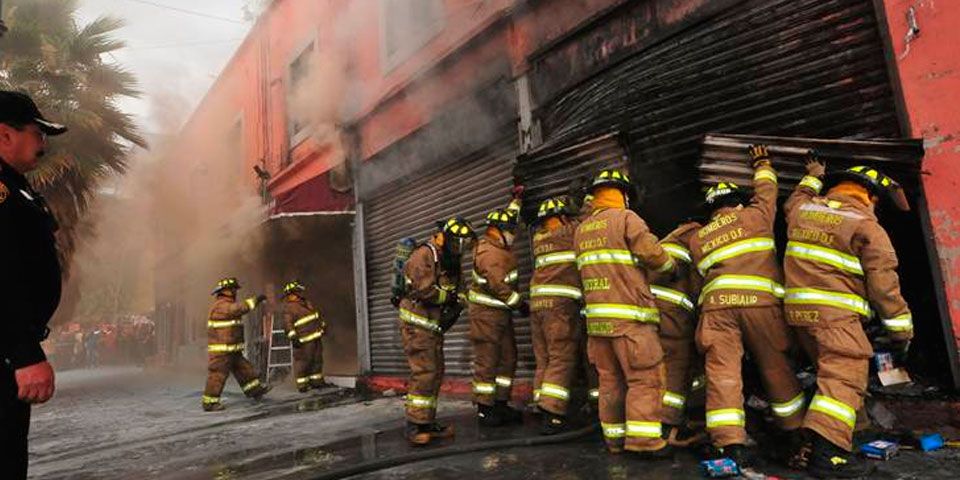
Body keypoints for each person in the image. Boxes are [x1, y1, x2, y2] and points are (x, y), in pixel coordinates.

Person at [783, 156, 912, 478]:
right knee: (843, 380)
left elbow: (794, 200)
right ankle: (828, 457)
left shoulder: (804, 210)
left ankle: (850, 434)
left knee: (834, 380)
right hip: (835, 316)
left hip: (798, 315)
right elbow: (885, 287)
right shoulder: (866, 226)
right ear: (871, 196)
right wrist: (901, 332)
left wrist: (812, 175)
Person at [688, 145, 805, 467]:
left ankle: (730, 445)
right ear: (736, 202)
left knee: (723, 374)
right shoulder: (755, 215)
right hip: (760, 305)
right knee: (775, 367)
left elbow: (699, 277)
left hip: (717, 310)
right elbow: (767, 190)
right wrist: (762, 162)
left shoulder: (699, 238)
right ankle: (795, 431)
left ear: (711, 209)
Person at [574, 169, 676, 456]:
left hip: (598, 325)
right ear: (623, 194)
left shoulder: (582, 230)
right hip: (631, 321)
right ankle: (644, 443)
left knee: (610, 381)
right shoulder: (626, 219)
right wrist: (671, 269)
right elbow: (650, 252)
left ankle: (615, 441)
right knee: (645, 379)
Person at [0, 90, 68, 479]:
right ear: (6, 134)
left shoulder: (13, 186)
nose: (43, 143)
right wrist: (22, 353)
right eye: (37, 133)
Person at [398, 216, 475, 445]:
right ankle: (414, 425)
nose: (460, 249)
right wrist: (448, 299)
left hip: (433, 326)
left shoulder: (450, 259)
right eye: (457, 243)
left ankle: (427, 422)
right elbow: (424, 291)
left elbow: (461, 289)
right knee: (424, 373)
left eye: (464, 245)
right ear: (444, 237)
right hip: (417, 325)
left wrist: (458, 304)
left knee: (435, 373)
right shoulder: (424, 256)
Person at [468, 194, 528, 427]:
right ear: (498, 231)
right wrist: (520, 304)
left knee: (507, 358)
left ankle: (501, 403)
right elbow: (498, 286)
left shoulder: (498, 243)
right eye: (510, 231)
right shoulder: (489, 254)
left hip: (501, 316)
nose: (514, 235)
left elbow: (509, 217)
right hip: (487, 317)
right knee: (487, 362)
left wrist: (517, 199)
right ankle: (485, 409)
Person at [529, 196, 585, 435]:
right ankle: (552, 414)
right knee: (561, 357)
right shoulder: (568, 234)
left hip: (537, 306)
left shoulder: (539, 238)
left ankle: (540, 404)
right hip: (559, 308)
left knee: (545, 359)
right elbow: (588, 222)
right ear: (563, 218)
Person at [201, 277, 270, 411]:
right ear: (226, 291)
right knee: (217, 375)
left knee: (244, 369)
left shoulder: (226, 303)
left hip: (232, 350)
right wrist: (255, 300)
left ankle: (254, 391)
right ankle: (210, 403)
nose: (235, 292)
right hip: (222, 352)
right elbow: (239, 309)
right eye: (233, 289)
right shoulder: (221, 305)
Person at [279, 280, 327, 392]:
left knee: (317, 360)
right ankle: (302, 385)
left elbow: (317, 316)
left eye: (300, 291)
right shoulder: (289, 308)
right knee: (303, 362)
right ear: (291, 294)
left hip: (315, 337)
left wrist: (323, 326)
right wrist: (293, 337)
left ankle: (316, 382)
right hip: (303, 341)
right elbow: (287, 325)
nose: (300, 293)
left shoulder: (307, 303)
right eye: (297, 291)